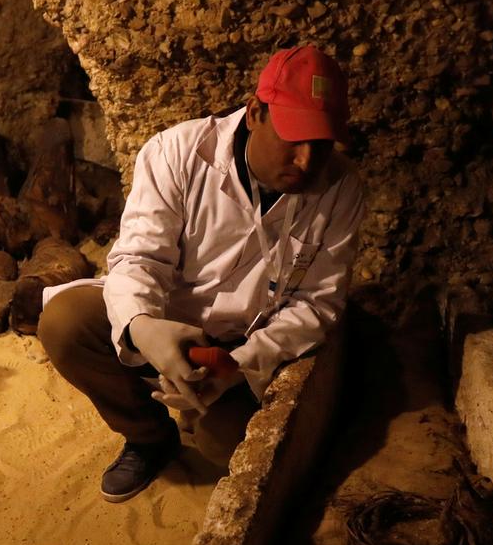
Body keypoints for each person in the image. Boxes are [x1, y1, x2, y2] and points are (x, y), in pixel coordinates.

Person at [37, 45, 367, 503]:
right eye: (295, 138)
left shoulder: (340, 188)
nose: (308, 161)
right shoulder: (177, 152)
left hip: (241, 344)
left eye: (323, 144)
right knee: (65, 323)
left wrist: (240, 365)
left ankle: (206, 410)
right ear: (254, 114)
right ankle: (149, 438)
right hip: (169, 319)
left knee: (226, 446)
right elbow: (138, 259)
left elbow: (317, 304)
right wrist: (144, 326)